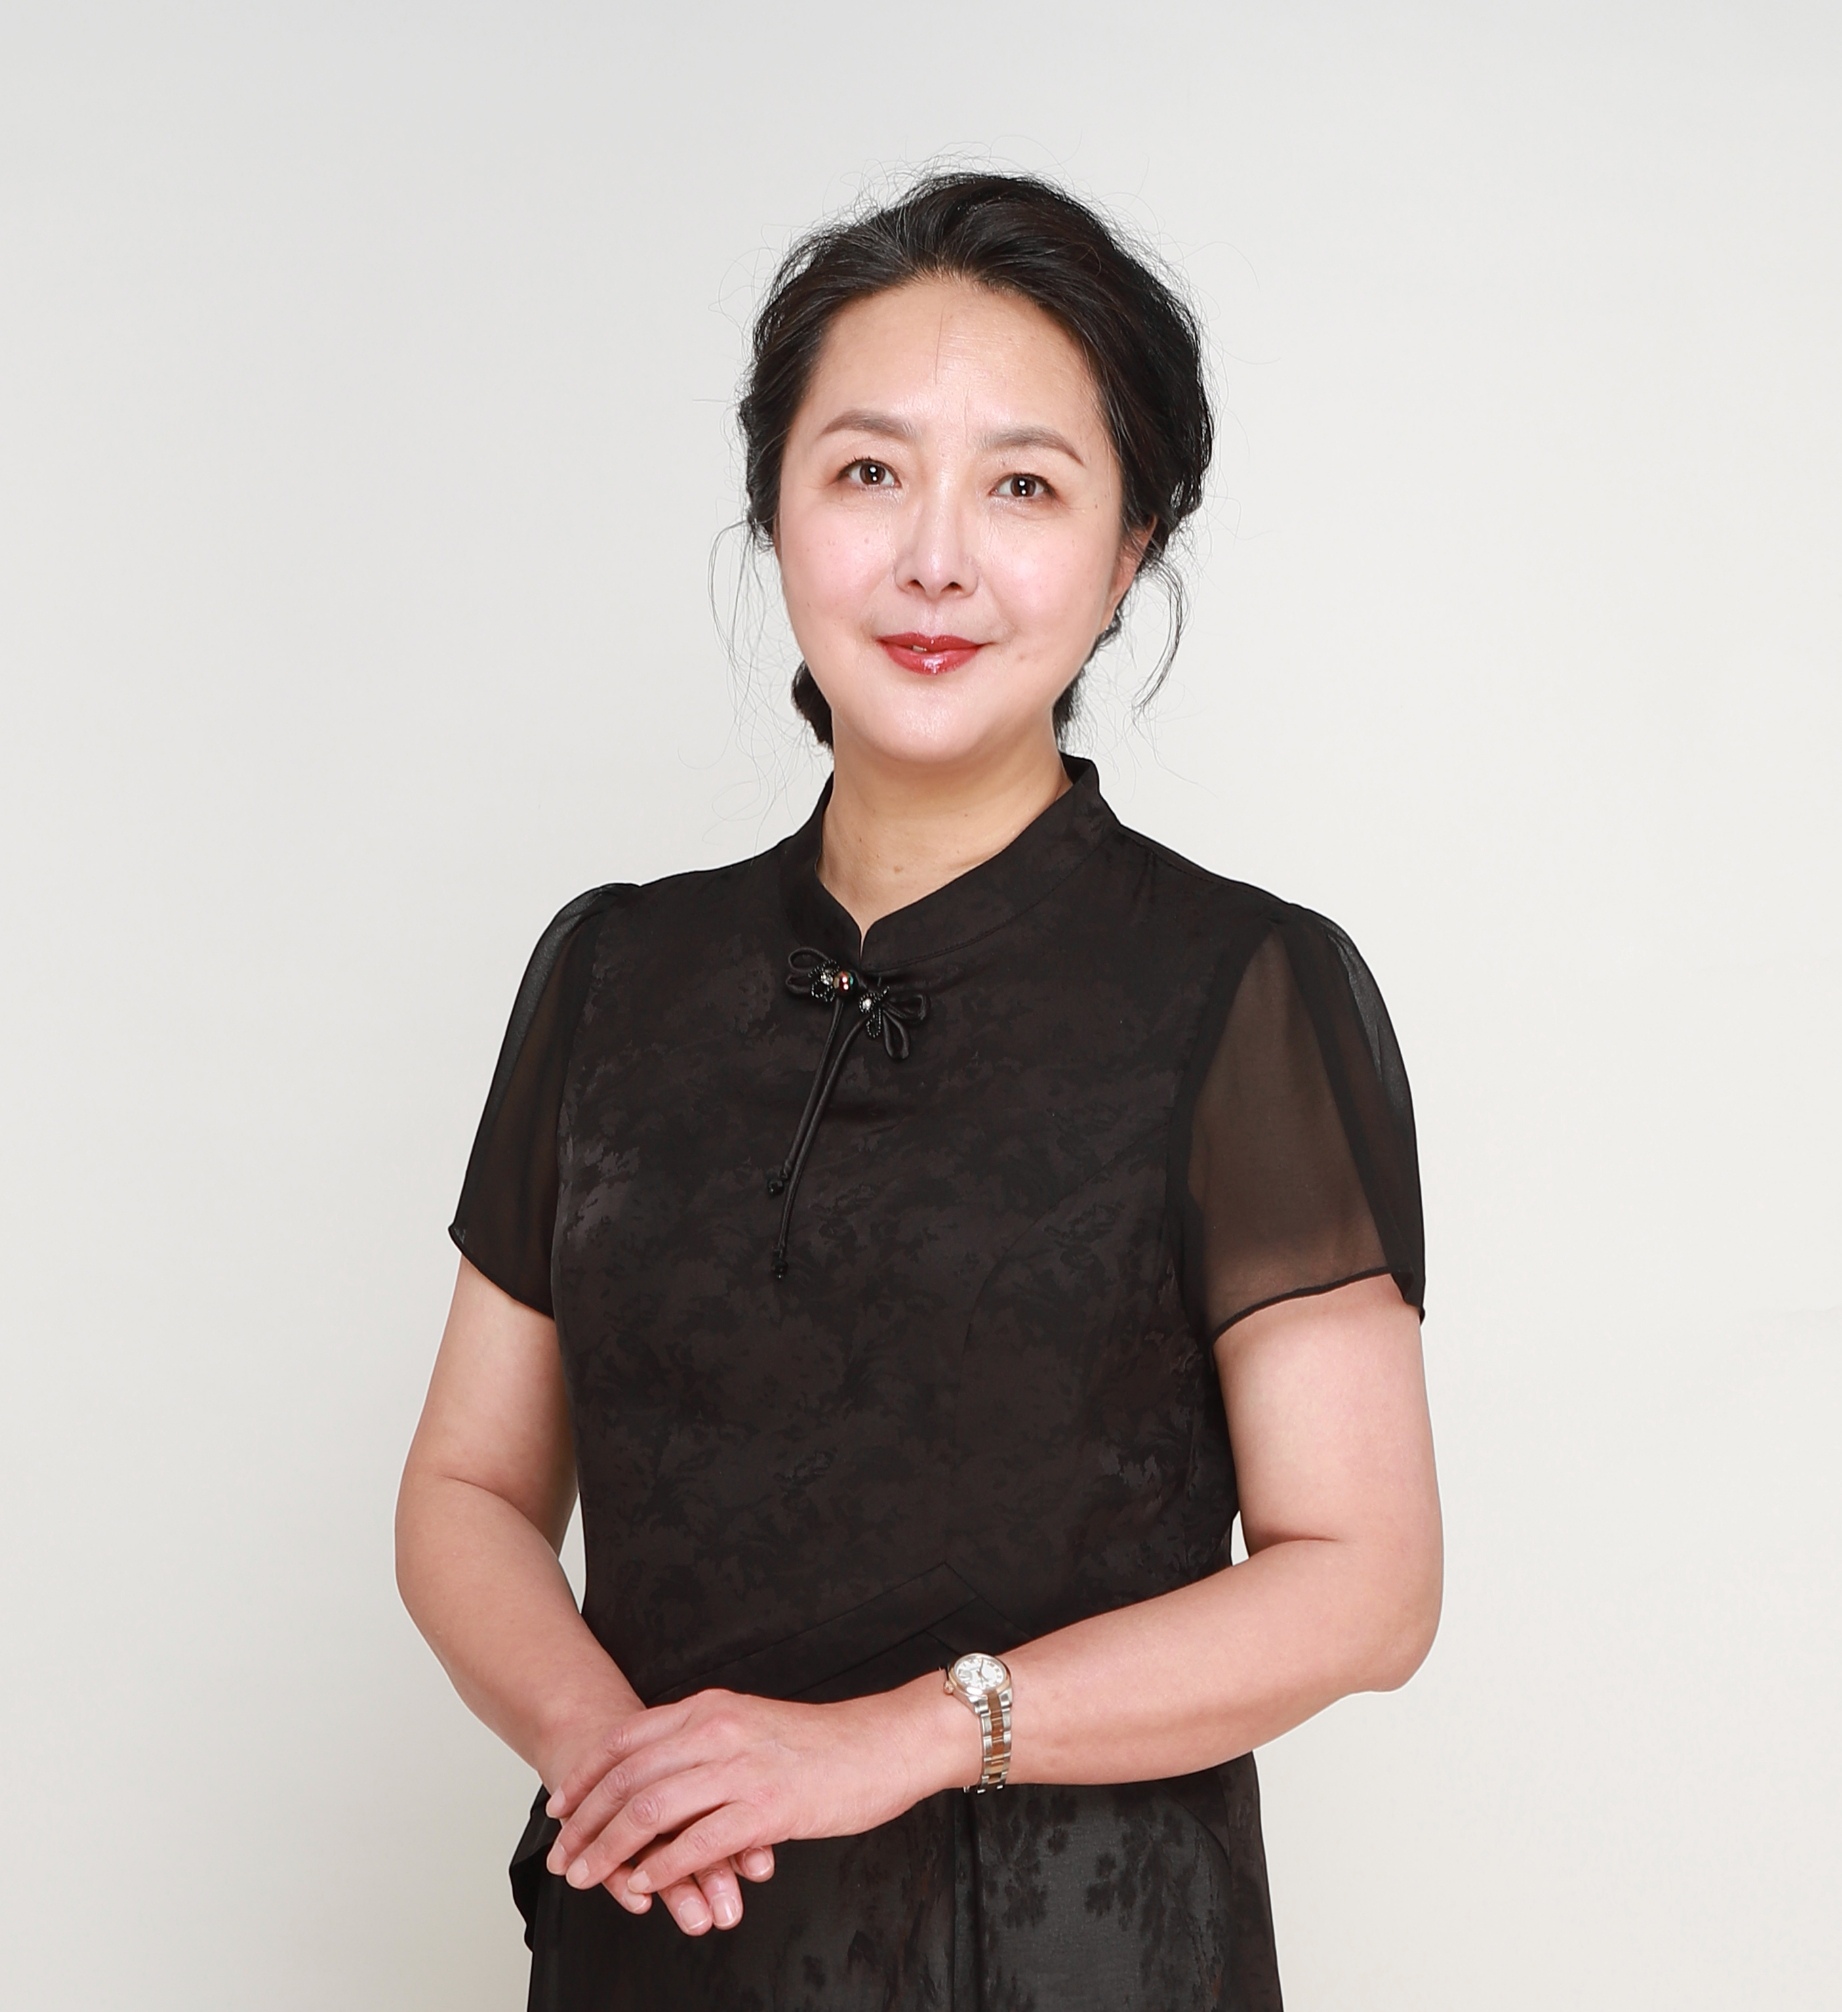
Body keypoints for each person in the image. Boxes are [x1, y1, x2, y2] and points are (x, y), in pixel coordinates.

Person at [396, 170, 1442, 2012]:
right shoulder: (613, 971)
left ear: (1127, 551)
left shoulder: (1240, 987)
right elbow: (469, 1485)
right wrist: (611, 1763)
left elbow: (1364, 1579)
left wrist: (899, 1739)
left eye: (1023, 487)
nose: (934, 559)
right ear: (774, 512)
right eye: (869, 471)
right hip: (660, 1952)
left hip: (1076, 1958)